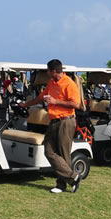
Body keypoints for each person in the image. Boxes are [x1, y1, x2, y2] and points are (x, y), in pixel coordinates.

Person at [20, 59, 82, 194]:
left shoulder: (69, 84)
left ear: (54, 71)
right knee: (48, 151)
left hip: (66, 121)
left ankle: (61, 185)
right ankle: (73, 178)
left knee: (63, 153)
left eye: (48, 70)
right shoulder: (52, 83)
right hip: (54, 121)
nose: (47, 73)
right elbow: (41, 97)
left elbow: (76, 105)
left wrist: (56, 101)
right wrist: (26, 104)